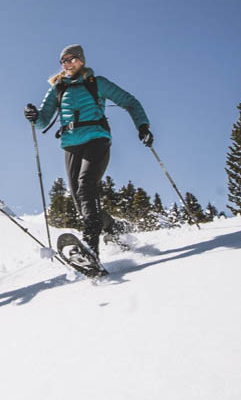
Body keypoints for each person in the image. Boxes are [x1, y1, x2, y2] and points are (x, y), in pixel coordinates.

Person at [24, 44, 153, 260]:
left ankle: (90, 248)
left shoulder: (97, 83)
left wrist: (143, 126)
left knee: (86, 186)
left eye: (71, 58)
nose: (67, 63)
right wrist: (33, 116)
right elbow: (43, 121)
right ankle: (114, 227)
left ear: (82, 60)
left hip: (97, 139)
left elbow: (130, 102)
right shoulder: (57, 89)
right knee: (82, 203)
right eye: (63, 61)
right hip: (71, 145)